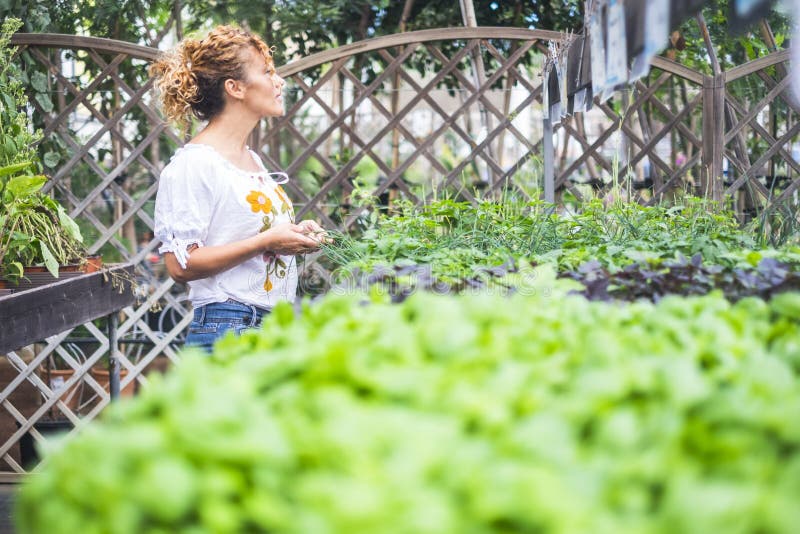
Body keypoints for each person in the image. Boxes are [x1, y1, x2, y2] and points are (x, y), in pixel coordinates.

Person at [150, 25, 325, 352]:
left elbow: (249, 235)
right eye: (267, 71)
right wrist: (267, 241)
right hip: (230, 327)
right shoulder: (194, 164)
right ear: (235, 88)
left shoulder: (252, 161)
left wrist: (294, 234)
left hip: (274, 326)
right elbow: (180, 265)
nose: (279, 80)